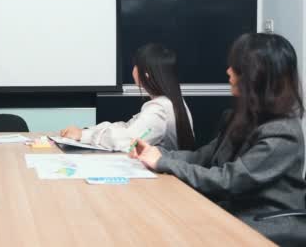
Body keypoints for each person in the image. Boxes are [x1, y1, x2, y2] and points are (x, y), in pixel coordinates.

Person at [130, 33, 306, 244]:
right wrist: (158, 154)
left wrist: (163, 162)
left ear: (256, 75)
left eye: (236, 67)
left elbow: (228, 180)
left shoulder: (282, 134)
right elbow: (202, 156)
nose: (228, 71)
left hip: (261, 221)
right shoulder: (242, 117)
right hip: (232, 207)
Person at [60, 44, 194, 151]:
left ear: (145, 75)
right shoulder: (170, 102)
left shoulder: (159, 109)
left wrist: (83, 135)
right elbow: (127, 127)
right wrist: (86, 131)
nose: (133, 69)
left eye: (136, 65)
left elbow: (127, 140)